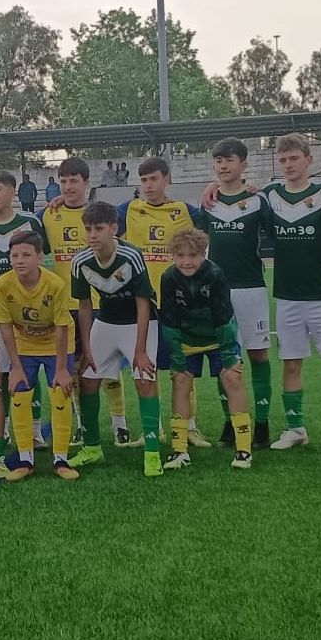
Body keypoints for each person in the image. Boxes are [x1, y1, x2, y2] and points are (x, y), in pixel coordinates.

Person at [260, 135, 321, 452]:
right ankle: (295, 428)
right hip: (287, 297)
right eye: (284, 160)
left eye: (294, 159)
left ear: (308, 160)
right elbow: (238, 199)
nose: (288, 165)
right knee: (291, 364)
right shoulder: (270, 195)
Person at [43, 158, 133, 462]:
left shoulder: (102, 214)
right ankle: (83, 426)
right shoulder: (49, 214)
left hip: (99, 304)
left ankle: (120, 424)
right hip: (64, 307)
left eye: (74, 181)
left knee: (106, 368)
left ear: (86, 182)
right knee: (79, 368)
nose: (68, 187)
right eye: (63, 181)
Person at [118, 157, 208, 448]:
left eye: (153, 179)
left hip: (177, 301)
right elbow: (95, 218)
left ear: (166, 179)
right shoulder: (129, 209)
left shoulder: (184, 211)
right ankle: (152, 429)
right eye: (143, 180)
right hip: (142, 303)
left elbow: (217, 216)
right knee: (147, 367)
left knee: (182, 367)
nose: (148, 186)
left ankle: (189, 427)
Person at [70, 202, 164, 477]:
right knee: (87, 379)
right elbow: (85, 307)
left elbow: (143, 302)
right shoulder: (80, 261)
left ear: (114, 228)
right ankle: (91, 448)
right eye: (88, 229)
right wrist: (87, 348)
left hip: (139, 322)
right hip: (106, 321)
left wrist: (140, 351)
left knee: (144, 380)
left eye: (99, 228)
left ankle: (152, 452)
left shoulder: (130, 256)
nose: (92, 235)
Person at [198, 139, 277, 448]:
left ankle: (262, 425)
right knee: (224, 359)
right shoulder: (208, 203)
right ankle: (232, 423)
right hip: (217, 292)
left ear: (244, 164)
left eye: (229, 160)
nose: (223, 165)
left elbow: (276, 235)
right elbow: (197, 243)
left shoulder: (259, 200)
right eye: (218, 160)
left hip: (251, 289)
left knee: (258, 356)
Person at [158, 230, 254, 471]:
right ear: (173, 255)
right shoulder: (168, 277)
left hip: (217, 337)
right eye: (180, 255)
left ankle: (244, 450)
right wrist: (178, 360)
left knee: (232, 378)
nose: (186, 261)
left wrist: (229, 357)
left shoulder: (215, 274)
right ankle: (180, 451)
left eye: (193, 255)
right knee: (180, 381)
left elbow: (223, 318)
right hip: (186, 339)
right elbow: (169, 322)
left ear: (203, 254)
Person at [0, 231, 75, 481]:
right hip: (23, 344)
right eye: (14, 255)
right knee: (19, 391)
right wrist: (15, 367)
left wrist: (62, 369)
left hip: (56, 344)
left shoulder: (55, 284)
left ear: (40, 257)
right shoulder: (3, 284)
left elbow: (62, 327)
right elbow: (5, 326)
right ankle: (25, 459)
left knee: (60, 392)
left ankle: (61, 459)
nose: (19, 260)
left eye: (26, 255)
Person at [0, 169, 44, 448]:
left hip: (28, 308)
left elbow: (42, 255)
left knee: (29, 368)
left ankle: (34, 431)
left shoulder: (29, 222)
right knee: (0, 372)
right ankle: (0, 430)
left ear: (14, 191)